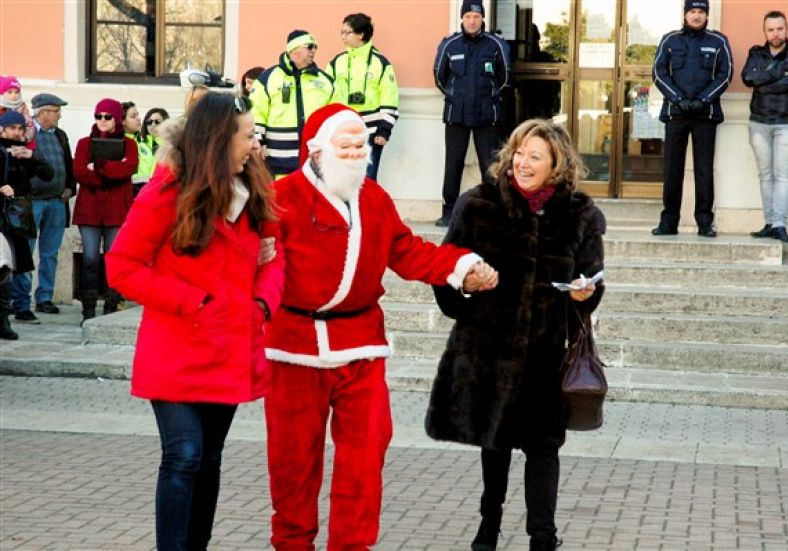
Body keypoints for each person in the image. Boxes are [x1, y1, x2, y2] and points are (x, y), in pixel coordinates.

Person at [262, 103, 498, 549]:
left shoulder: (374, 198)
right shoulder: (282, 198)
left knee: (366, 453)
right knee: (293, 459)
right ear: (315, 151)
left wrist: (461, 268)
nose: (355, 153)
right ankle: (292, 542)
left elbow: (408, 251)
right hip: (293, 348)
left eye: (360, 145)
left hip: (360, 344)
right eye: (344, 145)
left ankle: (352, 545)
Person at [106, 92, 283, 551]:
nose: (255, 144)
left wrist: (262, 305)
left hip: (230, 347)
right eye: (247, 136)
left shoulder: (255, 189)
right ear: (220, 140)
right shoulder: (167, 192)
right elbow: (122, 266)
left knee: (209, 459)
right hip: (176, 349)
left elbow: (273, 257)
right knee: (183, 455)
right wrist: (193, 301)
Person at [425, 119, 606, 551]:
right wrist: (464, 282)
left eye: (535, 157)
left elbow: (592, 286)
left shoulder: (579, 215)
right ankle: (488, 527)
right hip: (490, 350)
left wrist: (584, 294)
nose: (523, 163)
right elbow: (443, 274)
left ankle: (543, 536)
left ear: (557, 165)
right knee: (496, 443)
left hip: (547, 355)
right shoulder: (478, 205)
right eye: (519, 152)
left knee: (544, 448)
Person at [651, 0, 733, 238]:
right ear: (685, 15)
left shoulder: (718, 41)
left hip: (704, 115)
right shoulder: (670, 39)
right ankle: (668, 223)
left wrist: (703, 100)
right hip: (675, 113)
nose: (696, 16)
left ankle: (705, 223)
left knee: (704, 171)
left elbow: (725, 74)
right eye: (692, 12)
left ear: (707, 16)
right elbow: (658, 72)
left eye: (701, 12)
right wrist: (678, 99)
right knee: (672, 171)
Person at [433, 0, 510, 226]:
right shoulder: (450, 45)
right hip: (456, 114)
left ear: (482, 19)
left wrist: (489, 95)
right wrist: (456, 95)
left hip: (487, 115)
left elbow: (504, 78)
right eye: (468, 17)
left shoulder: (496, 45)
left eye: (476, 17)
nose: (472, 21)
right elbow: (440, 76)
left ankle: (491, 213)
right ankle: (449, 212)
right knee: (453, 163)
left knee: (490, 166)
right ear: (462, 18)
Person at [741, 10, 788, 245]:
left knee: (783, 176)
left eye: (780, 28)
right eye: (771, 29)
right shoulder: (755, 53)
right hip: (758, 121)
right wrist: (780, 73)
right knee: (765, 175)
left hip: (786, 122)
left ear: (786, 29)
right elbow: (748, 78)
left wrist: (764, 79)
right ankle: (769, 223)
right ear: (765, 31)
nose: (775, 33)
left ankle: (780, 225)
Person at [72, 98, 138, 324]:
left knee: (114, 259)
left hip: (117, 210)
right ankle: (88, 311)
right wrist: (111, 173)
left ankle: (111, 308)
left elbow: (129, 168)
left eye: (107, 116)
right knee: (90, 258)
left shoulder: (129, 144)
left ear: (116, 118)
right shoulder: (84, 143)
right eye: (98, 116)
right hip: (89, 209)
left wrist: (99, 167)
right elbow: (80, 172)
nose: (102, 120)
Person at [10, 93, 74, 322]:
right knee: (26, 252)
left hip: (57, 201)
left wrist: (69, 188)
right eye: (56, 111)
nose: (59, 115)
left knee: (50, 253)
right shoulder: (27, 134)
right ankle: (21, 301)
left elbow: (67, 163)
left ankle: (45, 297)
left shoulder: (61, 135)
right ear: (43, 112)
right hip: (32, 201)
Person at [249, 30, 334, 178]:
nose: (313, 51)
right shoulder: (268, 78)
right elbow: (256, 112)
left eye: (315, 47)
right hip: (278, 159)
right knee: (280, 198)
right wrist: (257, 140)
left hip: (314, 157)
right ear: (294, 50)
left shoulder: (325, 81)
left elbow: (335, 115)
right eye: (309, 46)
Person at [326, 12, 399, 180]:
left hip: (371, 134)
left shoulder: (380, 63)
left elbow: (390, 98)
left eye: (347, 32)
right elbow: (327, 97)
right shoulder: (337, 62)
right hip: (342, 132)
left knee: (367, 182)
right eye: (341, 32)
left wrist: (384, 130)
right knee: (342, 180)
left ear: (361, 35)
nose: (343, 37)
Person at [0, 111, 53, 339]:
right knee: (3, 266)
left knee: (20, 264)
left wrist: (32, 156)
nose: (17, 132)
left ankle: (17, 309)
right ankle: (4, 317)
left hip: (18, 216)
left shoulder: (23, 152)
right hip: (1, 216)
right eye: (12, 128)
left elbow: (48, 173)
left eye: (20, 129)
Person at [122, 101, 156, 196]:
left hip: (150, 189)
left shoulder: (143, 142)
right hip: (132, 191)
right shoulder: (120, 143)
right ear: (123, 121)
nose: (138, 119)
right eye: (133, 116)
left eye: (138, 115)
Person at [0, 76, 35, 148]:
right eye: (10, 92)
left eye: (17, 92)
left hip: (18, 143)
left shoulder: (22, 107)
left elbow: (29, 124)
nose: (14, 95)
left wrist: (25, 138)